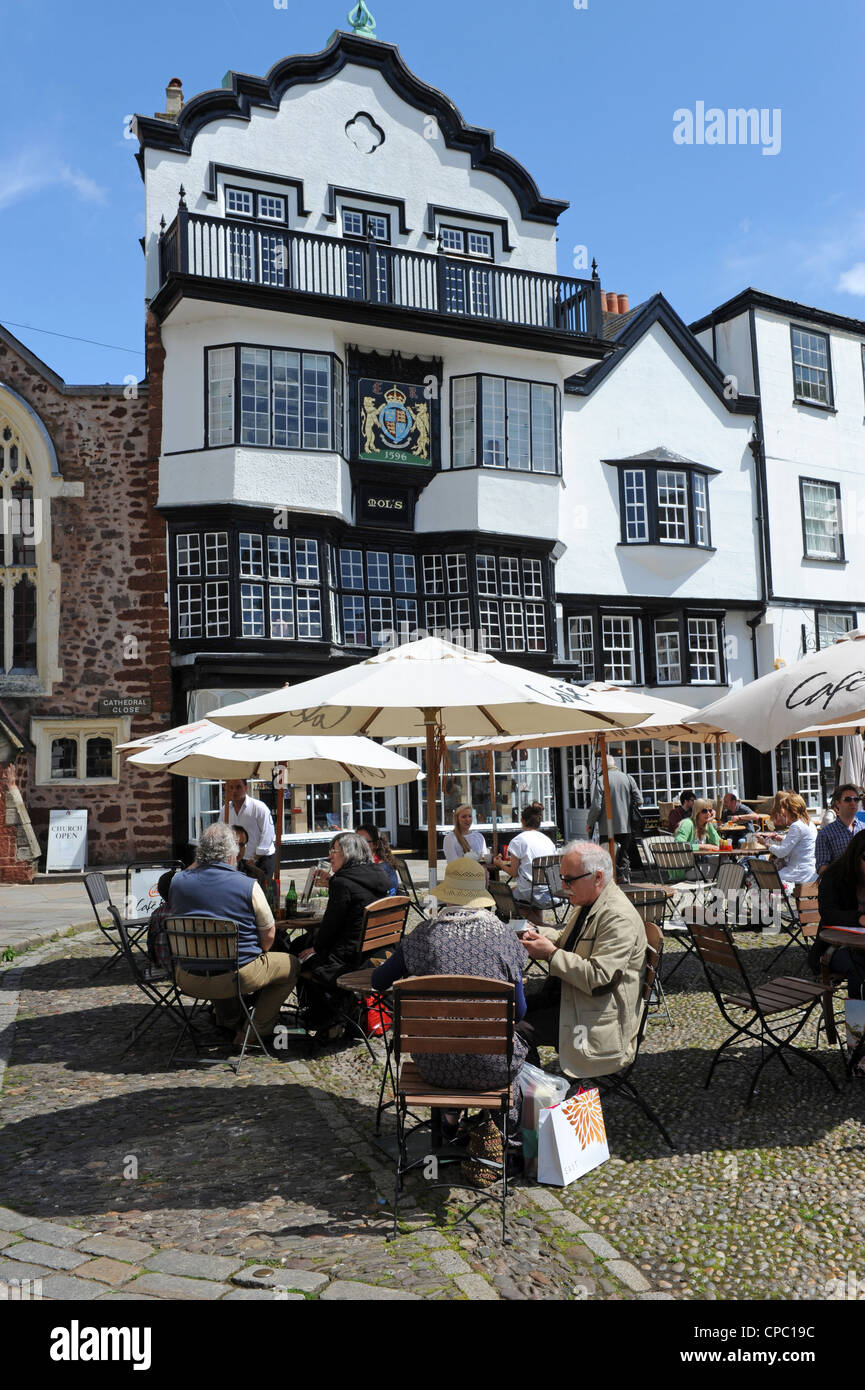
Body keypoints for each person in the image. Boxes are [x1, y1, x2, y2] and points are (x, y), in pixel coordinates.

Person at [371, 857, 528, 1138]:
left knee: (453, 1046)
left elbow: (379, 981)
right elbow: (519, 1013)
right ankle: (497, 1135)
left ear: (447, 894)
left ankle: (451, 1120)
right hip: (492, 1067)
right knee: (510, 1046)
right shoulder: (503, 936)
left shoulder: (424, 935)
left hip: (435, 1065)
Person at [518, 841, 646, 1079]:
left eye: (569, 880)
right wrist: (538, 934)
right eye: (562, 879)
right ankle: (527, 1096)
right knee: (511, 1010)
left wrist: (550, 954)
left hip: (594, 1020)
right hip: (572, 1000)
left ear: (598, 877)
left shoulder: (617, 916)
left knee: (515, 1032)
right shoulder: (590, 901)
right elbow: (572, 941)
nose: (564, 887)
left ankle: (533, 1097)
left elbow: (600, 979)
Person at [167, 822, 299, 1046]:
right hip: (236, 977)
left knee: (219, 956)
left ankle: (230, 1021)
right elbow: (268, 937)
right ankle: (254, 1030)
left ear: (200, 852)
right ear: (232, 853)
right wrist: (259, 953)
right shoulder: (247, 884)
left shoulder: (177, 882)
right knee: (291, 964)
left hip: (188, 976)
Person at [291, 831, 392, 1029]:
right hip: (376, 951)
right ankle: (330, 1011)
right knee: (300, 944)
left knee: (298, 953)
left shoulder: (342, 882)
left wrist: (317, 948)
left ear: (348, 853)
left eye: (334, 851)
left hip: (348, 958)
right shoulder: (377, 874)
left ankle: (323, 1016)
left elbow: (330, 926)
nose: (330, 856)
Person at [815, 828, 865, 999]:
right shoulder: (834, 877)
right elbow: (828, 914)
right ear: (855, 856)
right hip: (834, 948)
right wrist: (859, 918)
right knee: (860, 967)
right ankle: (857, 1023)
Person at [492, 802, 556, 925]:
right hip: (550, 892)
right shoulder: (548, 841)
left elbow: (514, 872)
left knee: (505, 896)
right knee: (524, 892)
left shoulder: (518, 840)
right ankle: (539, 926)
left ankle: (541, 926)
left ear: (522, 820)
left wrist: (500, 864)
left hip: (530, 891)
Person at [586, 757, 642, 884]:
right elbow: (640, 800)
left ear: (602, 767)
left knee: (607, 857)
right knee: (623, 855)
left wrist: (590, 823)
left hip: (607, 827)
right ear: (615, 764)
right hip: (626, 825)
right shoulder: (628, 778)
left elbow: (596, 806)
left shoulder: (601, 780)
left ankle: (610, 884)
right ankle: (624, 881)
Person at [757, 792, 817, 885]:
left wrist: (765, 844)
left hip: (799, 872)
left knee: (765, 878)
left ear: (791, 810)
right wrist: (780, 838)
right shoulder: (809, 823)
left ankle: (775, 900)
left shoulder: (796, 826)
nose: (784, 812)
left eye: (785, 810)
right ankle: (778, 899)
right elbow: (801, 843)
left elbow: (781, 853)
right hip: (809, 870)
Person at [226, 778, 277, 880]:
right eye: (231, 787)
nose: (234, 791)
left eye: (238, 787)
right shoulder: (225, 810)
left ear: (246, 788)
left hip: (261, 860)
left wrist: (255, 858)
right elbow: (222, 834)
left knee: (260, 893)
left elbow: (268, 835)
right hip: (238, 860)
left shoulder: (259, 807)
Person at [815, 784, 862, 874]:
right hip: (841, 885)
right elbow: (821, 867)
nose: (853, 803)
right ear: (837, 803)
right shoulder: (825, 833)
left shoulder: (863, 828)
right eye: (848, 799)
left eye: (856, 799)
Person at [357, 822, 400, 895]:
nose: (358, 846)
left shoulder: (382, 868)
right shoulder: (363, 864)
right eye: (356, 842)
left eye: (363, 842)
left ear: (376, 845)